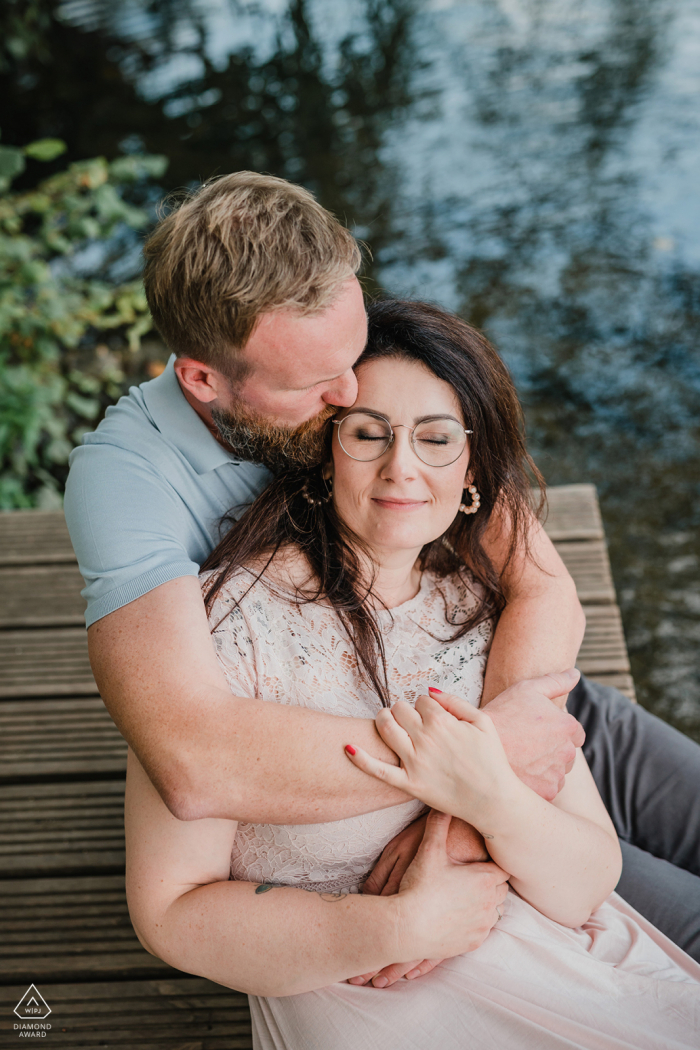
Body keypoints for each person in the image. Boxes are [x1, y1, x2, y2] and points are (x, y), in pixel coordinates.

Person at [64, 172, 700, 973]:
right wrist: (452, 776)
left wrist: (479, 777)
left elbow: (540, 582)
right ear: (203, 379)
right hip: (353, 785)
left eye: (355, 349)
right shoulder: (128, 483)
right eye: (317, 386)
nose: (356, 392)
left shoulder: (330, 341)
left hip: (524, 698)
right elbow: (193, 760)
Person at [125, 300, 699, 1050]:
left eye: (435, 439)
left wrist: (490, 797)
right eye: (370, 435)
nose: (402, 467)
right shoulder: (227, 623)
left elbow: (586, 880)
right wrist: (386, 927)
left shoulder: (486, 605)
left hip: (552, 955)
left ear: (471, 473)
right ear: (325, 450)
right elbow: (172, 911)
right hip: (367, 996)